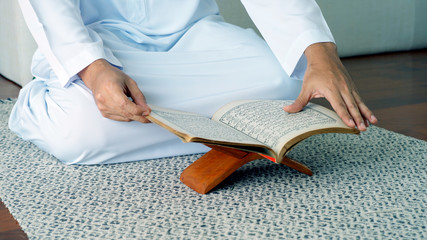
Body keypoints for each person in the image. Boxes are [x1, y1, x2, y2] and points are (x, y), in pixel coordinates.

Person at [10, 0, 377, 165]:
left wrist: (319, 54)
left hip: (195, 33)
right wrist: (92, 69)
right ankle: (43, 103)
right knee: (81, 127)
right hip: (99, 44)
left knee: (283, 82)